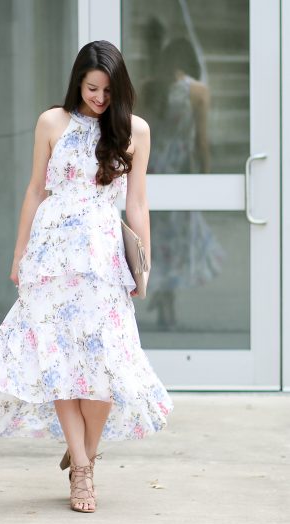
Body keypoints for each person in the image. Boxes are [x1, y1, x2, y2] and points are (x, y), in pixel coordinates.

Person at [0, 40, 174, 513]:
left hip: (103, 258)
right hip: (51, 257)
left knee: (102, 366)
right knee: (60, 360)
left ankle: (83, 445)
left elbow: (137, 203)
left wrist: (143, 263)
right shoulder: (51, 123)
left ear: (119, 89)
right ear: (77, 82)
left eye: (106, 90)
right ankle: (82, 469)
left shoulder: (135, 131)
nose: (98, 98)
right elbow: (35, 190)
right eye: (90, 88)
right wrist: (19, 252)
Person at [139, 36, 225, 329]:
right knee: (175, 240)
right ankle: (166, 300)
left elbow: (136, 135)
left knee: (157, 239)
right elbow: (202, 142)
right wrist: (207, 177)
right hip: (179, 170)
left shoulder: (149, 88)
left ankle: (164, 297)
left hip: (151, 171)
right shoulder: (198, 92)